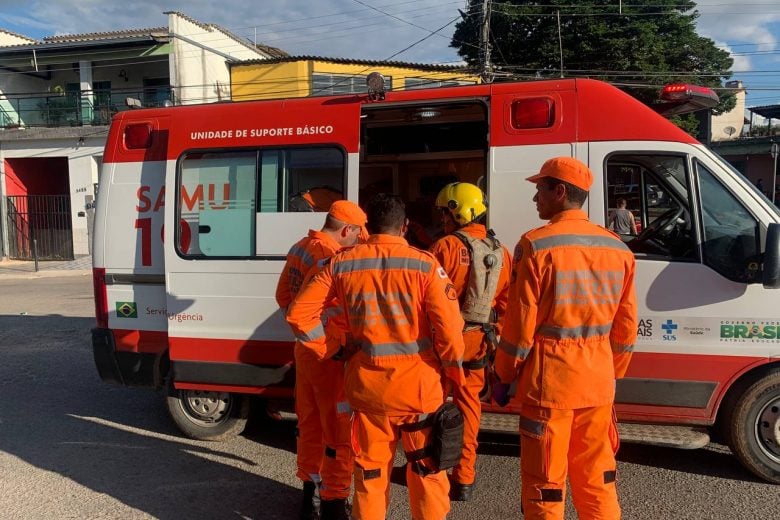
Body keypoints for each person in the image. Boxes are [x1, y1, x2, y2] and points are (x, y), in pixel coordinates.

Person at [286, 193, 466, 520]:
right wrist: (455, 376)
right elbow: (450, 331)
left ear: (370, 224)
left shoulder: (342, 263)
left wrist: (334, 348)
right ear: (405, 227)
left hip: (368, 392)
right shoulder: (425, 265)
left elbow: (299, 315)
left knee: (369, 476)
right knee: (427, 473)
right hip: (419, 393)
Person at [493, 157, 637, 520]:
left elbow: (519, 326)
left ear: (560, 192)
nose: (534, 198)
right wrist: (611, 373)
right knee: (597, 479)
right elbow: (626, 328)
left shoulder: (537, 245)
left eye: (540, 189)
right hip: (598, 385)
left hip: (550, 386)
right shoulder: (618, 249)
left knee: (545, 483)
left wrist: (504, 375)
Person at [275, 200, 367, 520]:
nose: (360, 239)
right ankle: (335, 499)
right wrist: (332, 344)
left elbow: (284, 298)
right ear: (346, 230)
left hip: (306, 351)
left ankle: (308, 496)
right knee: (338, 432)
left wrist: (308, 336)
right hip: (330, 354)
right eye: (357, 233)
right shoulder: (332, 259)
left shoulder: (301, 247)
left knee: (309, 425)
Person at [428, 182, 512, 501]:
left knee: (431, 407)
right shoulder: (501, 251)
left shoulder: (446, 248)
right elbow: (506, 302)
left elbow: (428, 298)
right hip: (479, 343)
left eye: (446, 212)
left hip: (442, 345)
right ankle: (464, 477)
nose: (443, 220)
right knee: (469, 410)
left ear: (458, 211)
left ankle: (430, 472)